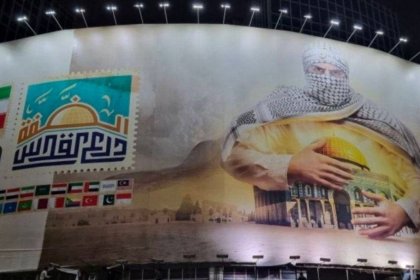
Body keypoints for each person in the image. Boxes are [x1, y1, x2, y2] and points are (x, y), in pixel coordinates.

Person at [222, 42, 420, 239]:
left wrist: (405, 210)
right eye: (318, 70)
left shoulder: (378, 121)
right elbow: (234, 155)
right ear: (307, 71)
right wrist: (289, 165)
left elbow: (415, 177)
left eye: (335, 73)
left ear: (346, 76)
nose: (327, 79)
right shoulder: (284, 107)